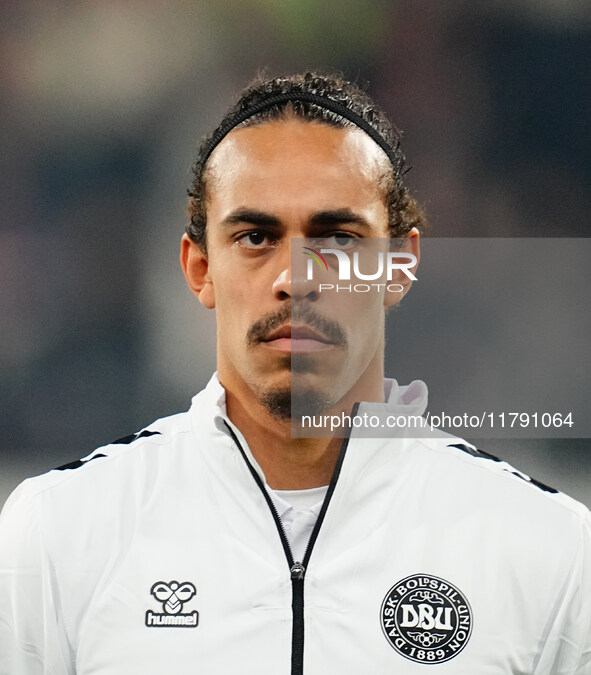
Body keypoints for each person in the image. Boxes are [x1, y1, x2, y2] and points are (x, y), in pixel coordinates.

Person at [0, 72, 590, 675]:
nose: (297, 277)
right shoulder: (57, 535)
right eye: (255, 236)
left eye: (337, 237)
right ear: (199, 268)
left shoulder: (547, 553)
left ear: (399, 269)